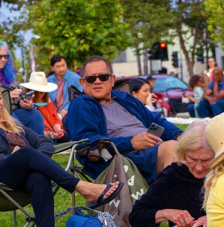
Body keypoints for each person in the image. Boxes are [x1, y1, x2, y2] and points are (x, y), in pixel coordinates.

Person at [0, 80, 122, 227]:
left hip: (18, 179)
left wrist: (34, 161)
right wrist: (18, 159)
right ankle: (84, 188)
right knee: (26, 154)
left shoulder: (9, 123)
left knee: (38, 175)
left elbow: (44, 142)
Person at [66, 56, 182, 185]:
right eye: (91, 78)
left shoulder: (124, 98)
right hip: (121, 159)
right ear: (82, 83)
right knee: (172, 149)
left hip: (151, 150)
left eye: (103, 77)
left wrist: (179, 135)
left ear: (112, 80)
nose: (97, 81)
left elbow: (155, 121)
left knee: (195, 145)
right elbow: (85, 141)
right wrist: (130, 143)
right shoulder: (82, 104)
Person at [129, 122, 210, 227]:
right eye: (193, 159)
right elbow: (136, 216)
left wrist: (213, 220)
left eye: (206, 160)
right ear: (183, 153)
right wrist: (167, 213)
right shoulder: (174, 175)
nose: (199, 167)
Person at [21, 72, 70, 143]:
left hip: (55, 134)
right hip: (43, 137)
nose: (42, 93)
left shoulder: (48, 102)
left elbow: (56, 119)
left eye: (43, 90)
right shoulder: (26, 105)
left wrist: (58, 128)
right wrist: (51, 135)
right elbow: (34, 130)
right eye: (39, 91)